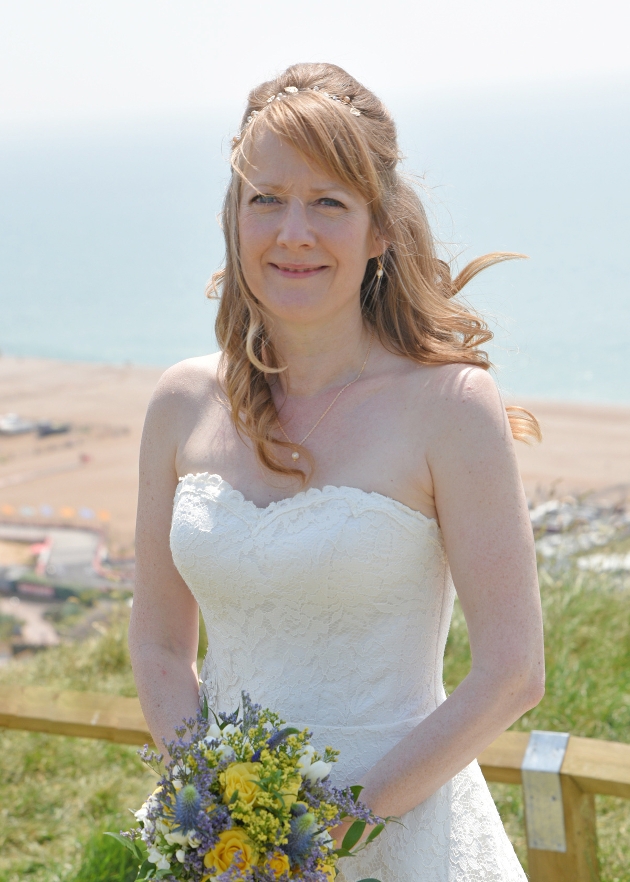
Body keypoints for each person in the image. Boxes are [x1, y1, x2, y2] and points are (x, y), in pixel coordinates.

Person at [129, 62, 545, 881]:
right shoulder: (180, 403)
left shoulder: (453, 405)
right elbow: (157, 647)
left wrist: (331, 833)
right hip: (229, 853)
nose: (293, 232)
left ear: (379, 228)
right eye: (267, 198)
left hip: (403, 837)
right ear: (234, 218)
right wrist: (213, 814)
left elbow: (512, 673)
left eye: (328, 202)